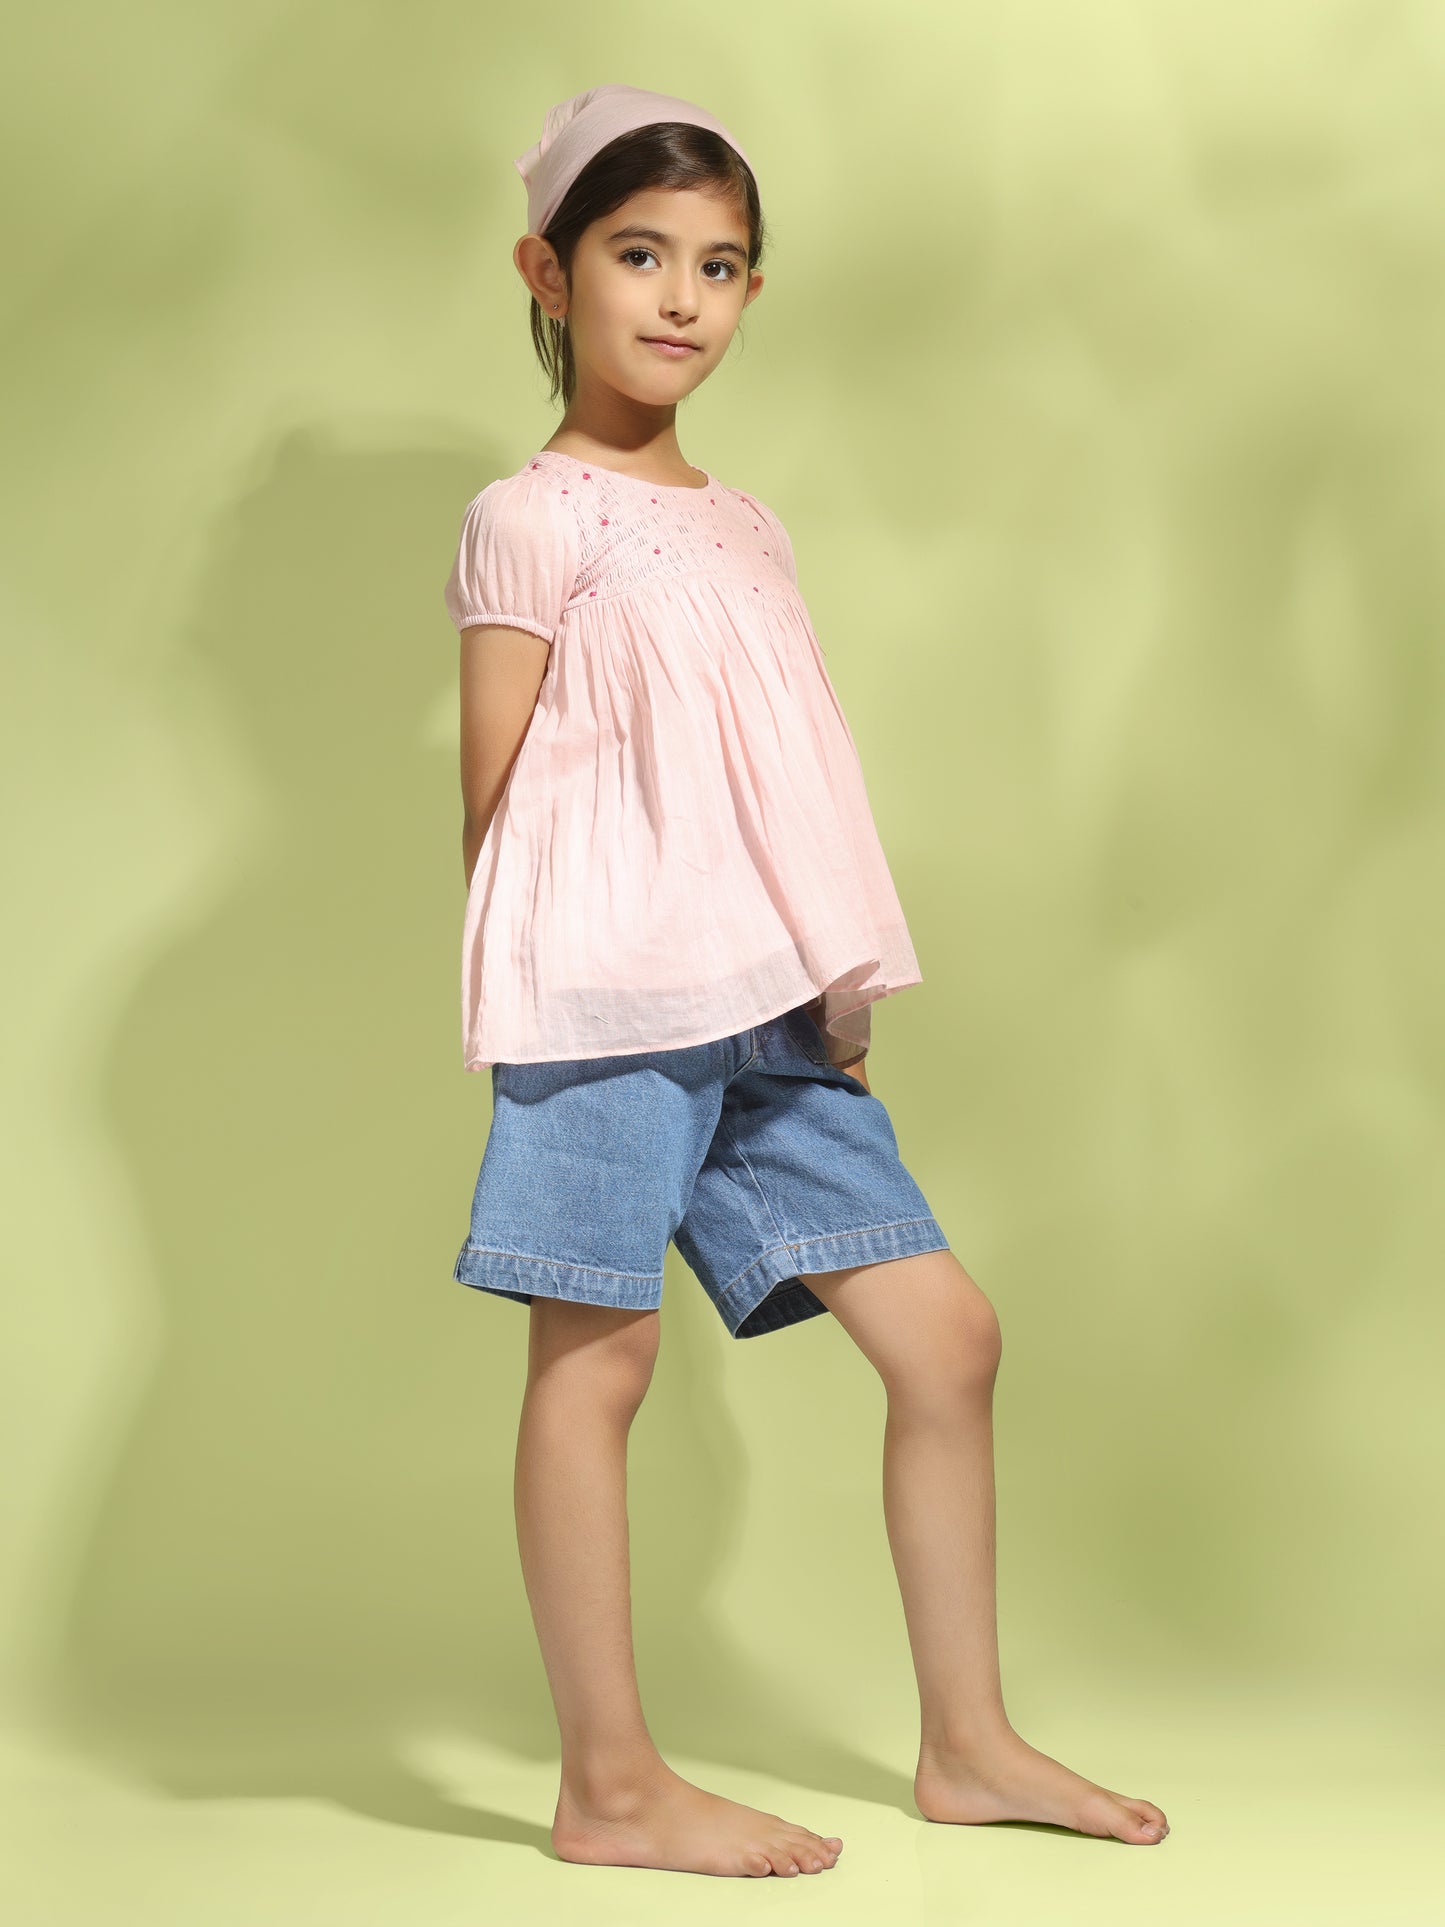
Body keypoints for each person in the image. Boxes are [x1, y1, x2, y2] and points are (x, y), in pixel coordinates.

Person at [441, 83, 1169, 1879]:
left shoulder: (749, 525)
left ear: (751, 293)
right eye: (639, 255)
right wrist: (558, 1005)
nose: (680, 298)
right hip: (611, 998)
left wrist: (828, 986)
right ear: (547, 271)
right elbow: (499, 790)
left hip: (770, 1005)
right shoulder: (531, 518)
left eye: (720, 266)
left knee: (947, 1338)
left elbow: (783, 776)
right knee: (598, 1360)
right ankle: (609, 1785)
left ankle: (967, 1744)